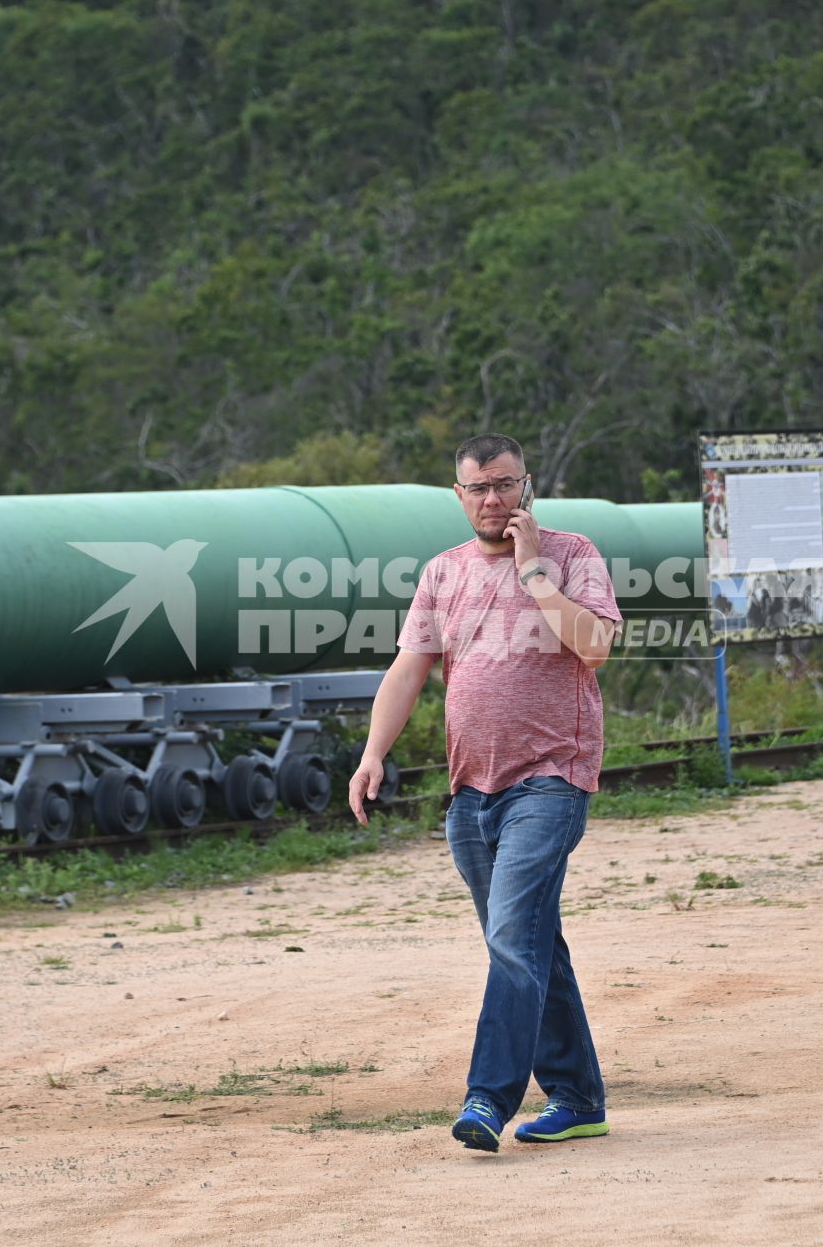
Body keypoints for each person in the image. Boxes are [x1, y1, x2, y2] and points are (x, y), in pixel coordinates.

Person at [348, 433, 622, 1152]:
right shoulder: (443, 573)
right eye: (478, 489)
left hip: (552, 779)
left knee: (511, 935)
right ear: (459, 495)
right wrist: (373, 753)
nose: (493, 500)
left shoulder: (572, 554)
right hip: (471, 790)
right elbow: (410, 668)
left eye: (504, 485)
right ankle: (578, 1097)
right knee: (529, 941)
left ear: (526, 486)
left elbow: (594, 646)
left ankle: (487, 1099)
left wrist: (534, 571)